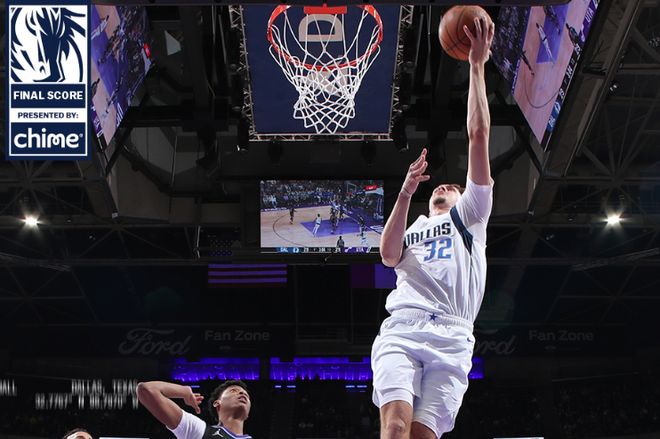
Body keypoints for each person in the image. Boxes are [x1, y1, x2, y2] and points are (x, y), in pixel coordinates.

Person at [371, 16, 494, 439]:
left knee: (422, 436)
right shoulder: (414, 225)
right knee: (396, 426)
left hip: (453, 335)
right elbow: (388, 256)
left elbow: (478, 135)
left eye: (454, 187)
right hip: (404, 327)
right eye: (439, 187)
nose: (445, 186)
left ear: (465, 196)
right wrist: (405, 192)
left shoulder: (470, 217)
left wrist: (476, 65)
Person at [137, 379, 252, 439]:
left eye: (245, 394)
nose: (242, 393)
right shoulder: (198, 430)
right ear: (217, 403)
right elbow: (147, 390)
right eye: (233, 391)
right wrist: (184, 391)